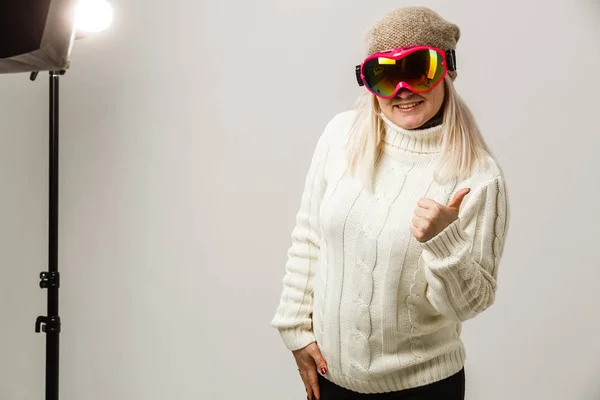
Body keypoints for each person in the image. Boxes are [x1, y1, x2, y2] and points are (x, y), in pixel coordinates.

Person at [270, 6, 510, 400]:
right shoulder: (340, 136)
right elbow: (309, 237)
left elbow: (467, 305)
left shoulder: (477, 176)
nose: (402, 90)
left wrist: (443, 241)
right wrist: (295, 328)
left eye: (418, 70)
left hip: (422, 389)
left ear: (446, 71)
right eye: (385, 75)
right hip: (331, 382)